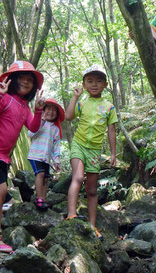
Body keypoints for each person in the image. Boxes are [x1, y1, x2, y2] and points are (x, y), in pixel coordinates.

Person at [0, 60, 45, 253]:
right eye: (21, 77)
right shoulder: (5, 98)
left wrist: (38, 110)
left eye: (30, 80)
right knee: (0, 190)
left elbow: (33, 128)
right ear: (12, 80)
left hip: (2, 156)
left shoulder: (24, 107)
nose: (25, 82)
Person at [65, 65, 117, 240]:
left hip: (95, 150)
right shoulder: (82, 102)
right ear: (84, 85)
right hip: (79, 145)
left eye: (98, 81)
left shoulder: (109, 107)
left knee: (92, 190)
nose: (94, 84)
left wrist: (113, 154)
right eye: (90, 81)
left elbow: (111, 131)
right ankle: (71, 214)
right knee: (78, 177)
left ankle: (93, 226)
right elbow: (69, 116)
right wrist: (75, 96)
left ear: (105, 84)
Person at [28, 98, 65, 211]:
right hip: (35, 155)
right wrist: (41, 121)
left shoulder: (55, 129)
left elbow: (56, 146)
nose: (51, 111)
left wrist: (56, 161)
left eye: (54, 110)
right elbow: (31, 134)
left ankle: (43, 199)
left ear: (57, 115)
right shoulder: (38, 122)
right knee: (40, 174)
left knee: (45, 178)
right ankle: (39, 198)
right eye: (48, 108)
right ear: (43, 111)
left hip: (46, 158)